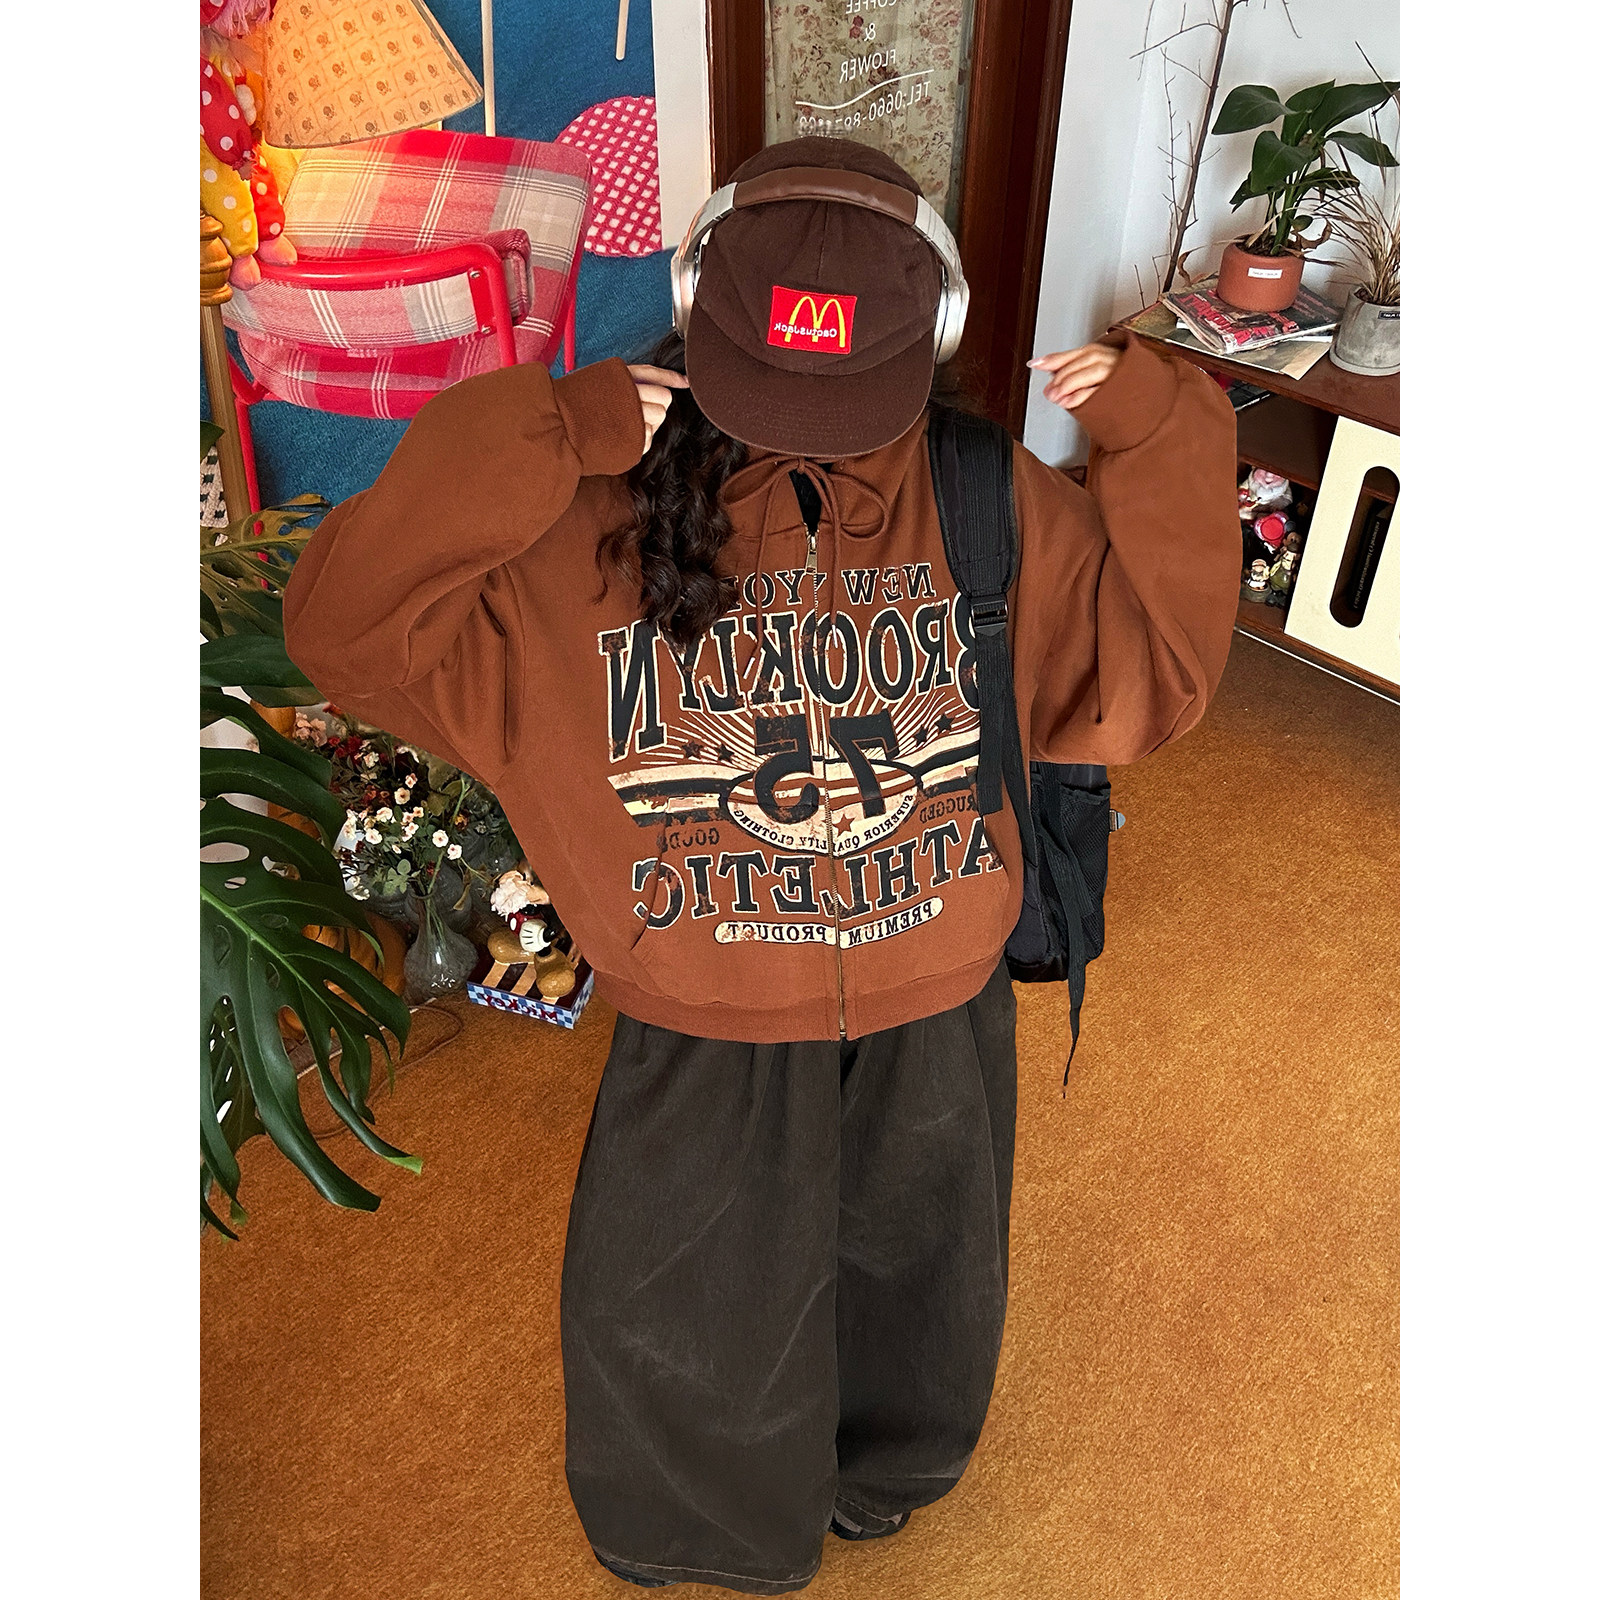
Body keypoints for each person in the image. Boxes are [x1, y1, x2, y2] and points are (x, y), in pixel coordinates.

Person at [284, 136, 1240, 1594]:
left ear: (934, 335)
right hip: (701, 1011)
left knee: (920, 1276)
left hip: (936, 992)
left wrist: (1164, 432)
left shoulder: (981, 494)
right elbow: (344, 632)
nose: (814, 435)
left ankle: (887, 1473)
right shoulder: (580, 512)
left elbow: (1151, 677)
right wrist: (533, 435)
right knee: (689, 1304)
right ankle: (698, 1533)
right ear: (693, 313)